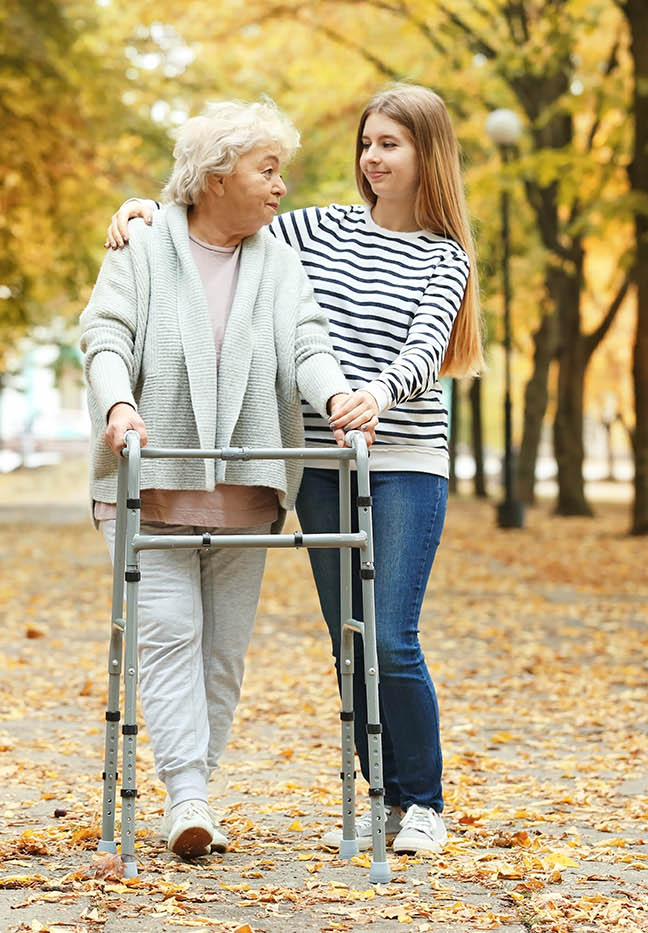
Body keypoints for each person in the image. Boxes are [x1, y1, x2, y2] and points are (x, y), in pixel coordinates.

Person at [105, 84, 483, 856]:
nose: (373, 159)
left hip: (403, 457)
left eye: (391, 145)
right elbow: (217, 216)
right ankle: (381, 791)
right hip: (316, 457)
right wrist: (141, 207)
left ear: (427, 154)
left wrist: (374, 394)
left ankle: (425, 800)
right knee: (347, 638)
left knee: (389, 636)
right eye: (368, 143)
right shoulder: (314, 229)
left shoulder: (446, 258)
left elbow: (424, 347)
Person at [80, 99, 358, 860]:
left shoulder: (279, 259)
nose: (279, 187)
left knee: (223, 652)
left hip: (248, 489)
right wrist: (118, 401)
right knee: (170, 636)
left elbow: (307, 341)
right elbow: (105, 333)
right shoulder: (141, 244)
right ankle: (188, 796)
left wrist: (334, 394)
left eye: (281, 172)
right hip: (152, 481)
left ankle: (192, 786)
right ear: (213, 175)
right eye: (267, 169)